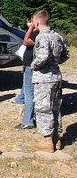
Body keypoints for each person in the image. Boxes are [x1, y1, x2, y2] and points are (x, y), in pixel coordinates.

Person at [30, 10, 69, 153]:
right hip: (56, 76)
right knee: (55, 108)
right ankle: (56, 139)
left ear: (37, 22)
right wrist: (55, 63)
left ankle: (47, 141)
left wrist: (34, 64)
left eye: (33, 21)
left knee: (43, 108)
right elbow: (66, 55)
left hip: (44, 78)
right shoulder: (57, 36)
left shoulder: (42, 37)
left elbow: (43, 56)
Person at [15, 17, 39, 130]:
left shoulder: (36, 33)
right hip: (32, 65)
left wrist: (31, 28)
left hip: (30, 66)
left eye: (32, 21)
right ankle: (31, 117)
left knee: (29, 94)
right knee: (31, 93)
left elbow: (26, 41)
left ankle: (27, 121)